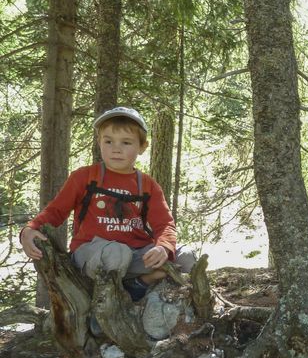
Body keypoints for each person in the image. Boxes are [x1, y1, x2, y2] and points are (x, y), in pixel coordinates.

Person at [20, 106, 189, 302]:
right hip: (92, 253)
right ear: (99, 142)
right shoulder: (84, 177)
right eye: (108, 141)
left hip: (136, 254)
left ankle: (137, 286)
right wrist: (29, 229)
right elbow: (55, 211)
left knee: (185, 256)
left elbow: (165, 224)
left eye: (126, 142)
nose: (116, 149)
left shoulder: (147, 185)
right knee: (116, 253)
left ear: (142, 147)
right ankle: (108, 304)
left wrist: (163, 248)